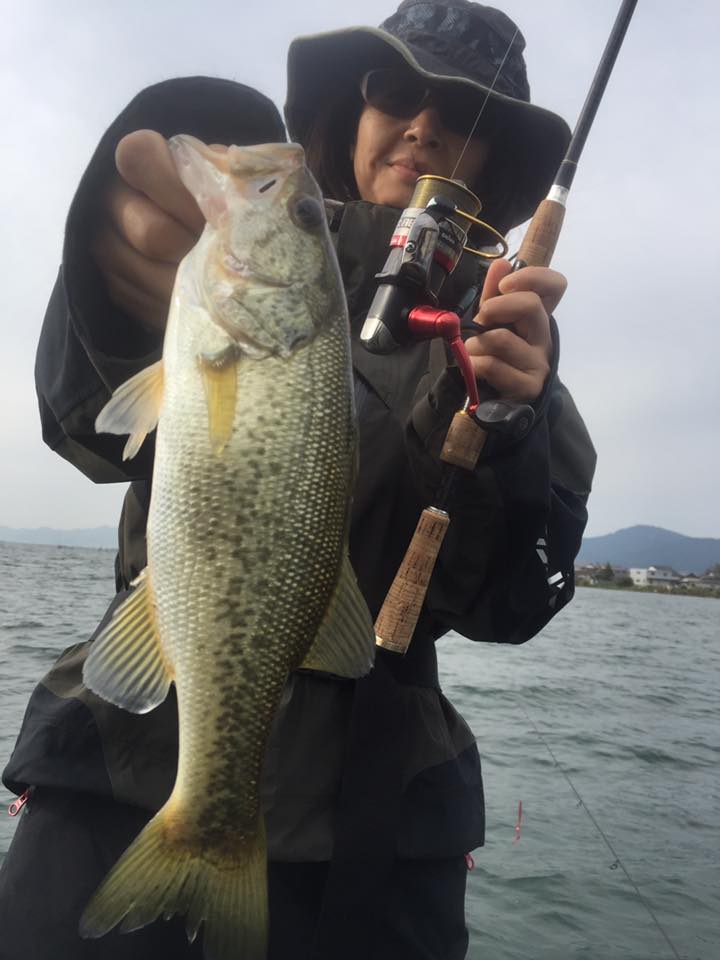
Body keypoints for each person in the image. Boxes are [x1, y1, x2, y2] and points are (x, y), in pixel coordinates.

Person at [0, 2, 595, 958]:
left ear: (490, 160)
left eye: (460, 114)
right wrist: (110, 276)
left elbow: (509, 604)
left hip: (373, 830)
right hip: (118, 772)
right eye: (394, 91)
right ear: (347, 113)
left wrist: (512, 429)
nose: (422, 125)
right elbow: (85, 421)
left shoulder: (506, 341)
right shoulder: (214, 263)